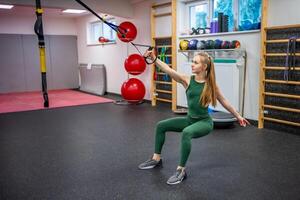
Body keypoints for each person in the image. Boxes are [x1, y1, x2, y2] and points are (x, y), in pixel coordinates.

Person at [138, 50, 250, 185]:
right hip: (189, 120)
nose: (192, 64)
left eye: (195, 63)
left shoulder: (211, 85)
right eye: (193, 62)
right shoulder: (187, 80)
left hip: (204, 123)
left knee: (187, 133)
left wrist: (238, 116)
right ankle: (156, 159)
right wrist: (154, 59)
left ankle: (181, 170)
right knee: (161, 126)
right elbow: (168, 69)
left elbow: (224, 101)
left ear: (204, 67)